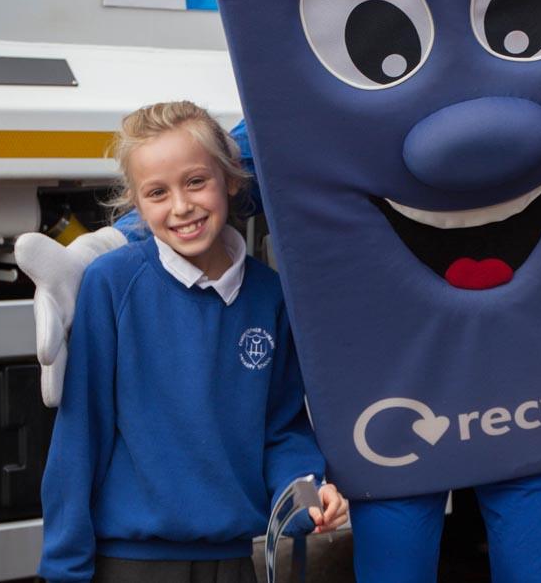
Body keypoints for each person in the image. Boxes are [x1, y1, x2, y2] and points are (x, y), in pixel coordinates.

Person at [37, 100, 348, 583]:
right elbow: (80, 438)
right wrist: (63, 570)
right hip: (129, 564)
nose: (181, 206)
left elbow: (282, 428)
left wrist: (307, 495)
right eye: (157, 192)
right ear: (136, 205)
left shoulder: (270, 296)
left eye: (196, 182)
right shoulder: (111, 284)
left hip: (232, 561)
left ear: (231, 180)